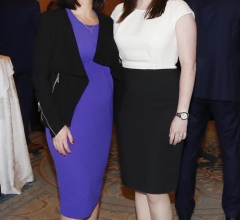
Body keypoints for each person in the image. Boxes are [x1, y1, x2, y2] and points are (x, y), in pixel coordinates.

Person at [33, 0, 123, 219]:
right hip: (70, 121)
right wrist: (55, 125)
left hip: (101, 122)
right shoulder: (52, 20)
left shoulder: (107, 22)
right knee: (76, 198)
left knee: (92, 191)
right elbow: (39, 77)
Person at [111, 0, 196, 219]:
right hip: (129, 106)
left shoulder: (178, 8)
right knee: (139, 185)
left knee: (155, 189)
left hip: (163, 105)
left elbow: (189, 64)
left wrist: (182, 114)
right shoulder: (120, 10)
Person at [174, 0, 240, 220]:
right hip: (228, 83)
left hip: (192, 86)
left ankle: (183, 209)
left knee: (188, 151)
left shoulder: (185, 3)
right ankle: (232, 211)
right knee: (231, 153)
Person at [0, 0, 42, 153]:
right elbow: (40, 31)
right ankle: (22, 141)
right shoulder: (30, 4)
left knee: (5, 104)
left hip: (3, 63)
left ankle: (6, 142)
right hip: (25, 62)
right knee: (23, 104)